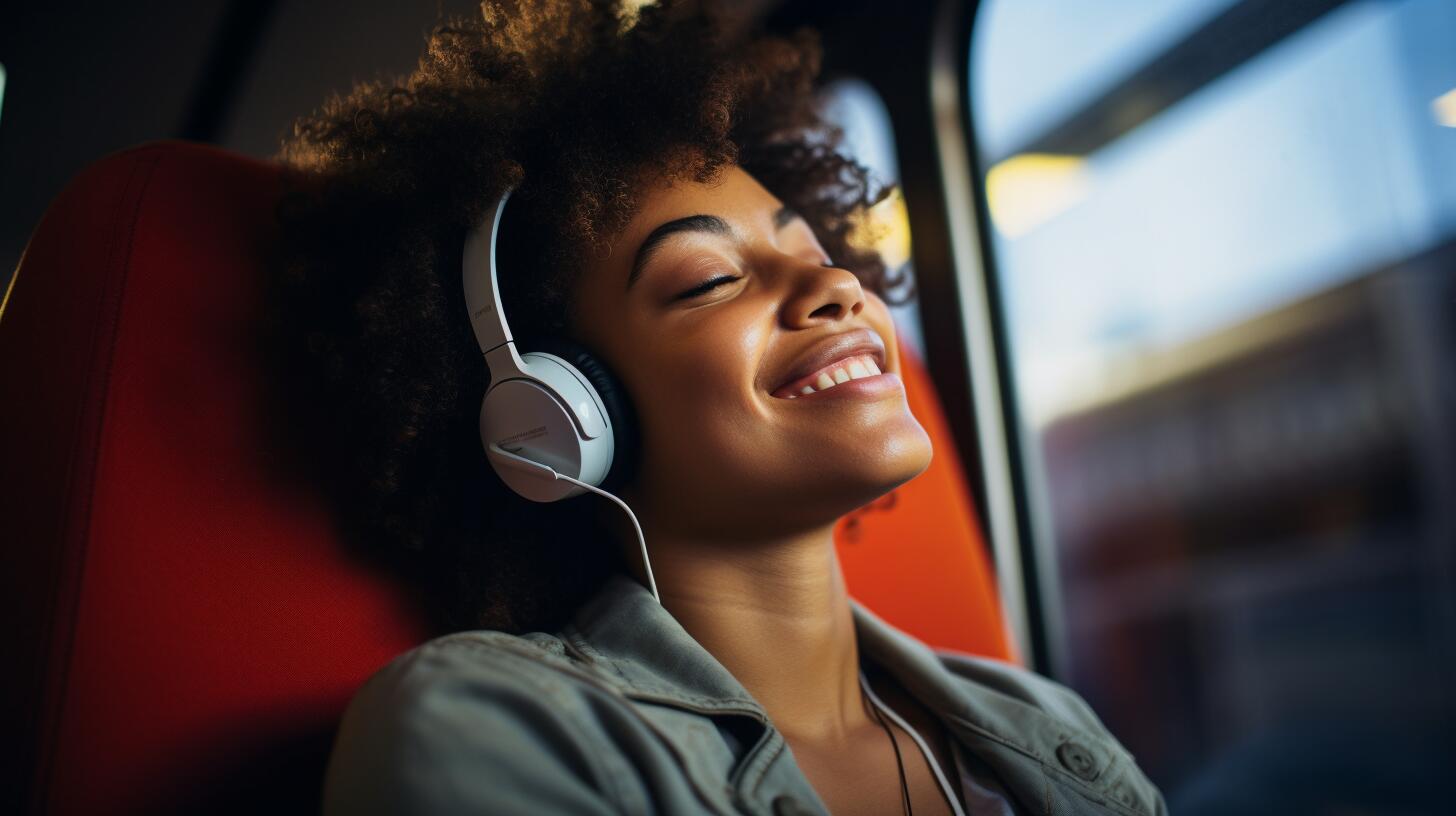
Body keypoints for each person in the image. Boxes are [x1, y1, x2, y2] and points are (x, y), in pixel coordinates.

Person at [264, 1, 1168, 813]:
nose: (833, 285)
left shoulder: (1053, 729)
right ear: (551, 415)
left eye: (815, 247)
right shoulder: (491, 729)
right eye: (710, 279)